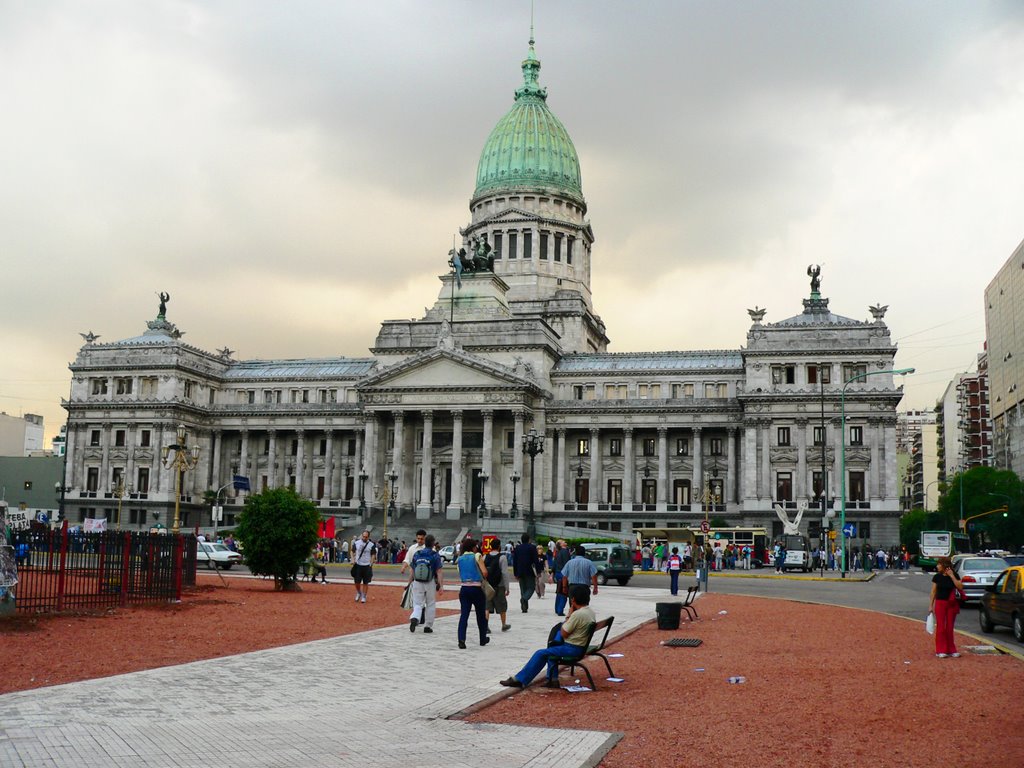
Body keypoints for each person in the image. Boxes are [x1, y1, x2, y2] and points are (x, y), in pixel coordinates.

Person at [499, 585, 596, 689]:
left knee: (541, 653)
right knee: (552, 649)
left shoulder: (578, 615)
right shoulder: (590, 612)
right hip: (579, 646)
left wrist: (569, 615)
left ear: (573, 599)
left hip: (573, 649)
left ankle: (520, 679)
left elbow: (564, 633)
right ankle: (552, 680)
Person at [456, 537, 490, 649]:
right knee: (480, 615)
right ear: (473, 547)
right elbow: (484, 572)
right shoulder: (477, 556)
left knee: (464, 615)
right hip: (476, 588)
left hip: (464, 589)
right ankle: (482, 638)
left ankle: (461, 639)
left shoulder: (460, 559)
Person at [929, 556, 965, 658]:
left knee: (949, 627)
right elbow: (933, 591)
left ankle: (951, 649)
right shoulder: (937, 577)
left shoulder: (954, 575)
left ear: (944, 565)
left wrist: (952, 576)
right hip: (940, 602)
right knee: (941, 627)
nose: (937, 566)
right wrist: (930, 605)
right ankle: (940, 649)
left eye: (939, 564)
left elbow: (960, 586)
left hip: (951, 603)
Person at [409, 534, 444, 633]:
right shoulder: (435, 555)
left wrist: (409, 582)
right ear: (433, 543)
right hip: (430, 582)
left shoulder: (417, 553)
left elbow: (412, 570)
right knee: (430, 603)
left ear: (425, 542)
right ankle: (428, 626)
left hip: (417, 581)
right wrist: (441, 585)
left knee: (417, 603)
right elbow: (439, 571)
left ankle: (415, 617)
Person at [483, 538, 511, 632]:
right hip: (499, 585)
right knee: (502, 605)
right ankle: (503, 624)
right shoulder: (502, 557)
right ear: (499, 546)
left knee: (487, 606)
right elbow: (505, 573)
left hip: (488, 586)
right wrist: (507, 587)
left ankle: (486, 626)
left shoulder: (485, 557)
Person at [512, 533, 537, 613]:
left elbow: (514, 561)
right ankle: (524, 599)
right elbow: (535, 560)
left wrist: (515, 573)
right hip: (529, 571)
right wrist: (538, 570)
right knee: (531, 588)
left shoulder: (517, 548)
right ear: (529, 539)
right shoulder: (532, 547)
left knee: (523, 588)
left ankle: (524, 608)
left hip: (520, 571)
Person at [352, 530, 376, 603]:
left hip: (367, 565)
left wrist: (371, 563)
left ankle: (364, 596)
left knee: (366, 582)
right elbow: (352, 551)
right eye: (363, 536)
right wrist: (353, 559)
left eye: (366, 537)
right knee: (357, 582)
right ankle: (359, 592)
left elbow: (373, 554)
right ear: (361, 536)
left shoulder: (371, 545)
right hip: (358, 564)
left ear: (368, 537)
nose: (364, 538)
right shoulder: (356, 543)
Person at [552, 539, 572, 616]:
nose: (565, 542)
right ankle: (560, 610)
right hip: (563, 574)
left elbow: (554, 565)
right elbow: (567, 564)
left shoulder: (558, 553)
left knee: (559, 591)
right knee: (564, 592)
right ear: (560, 545)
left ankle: (557, 608)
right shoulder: (565, 552)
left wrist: (553, 573)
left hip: (558, 573)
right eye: (562, 541)